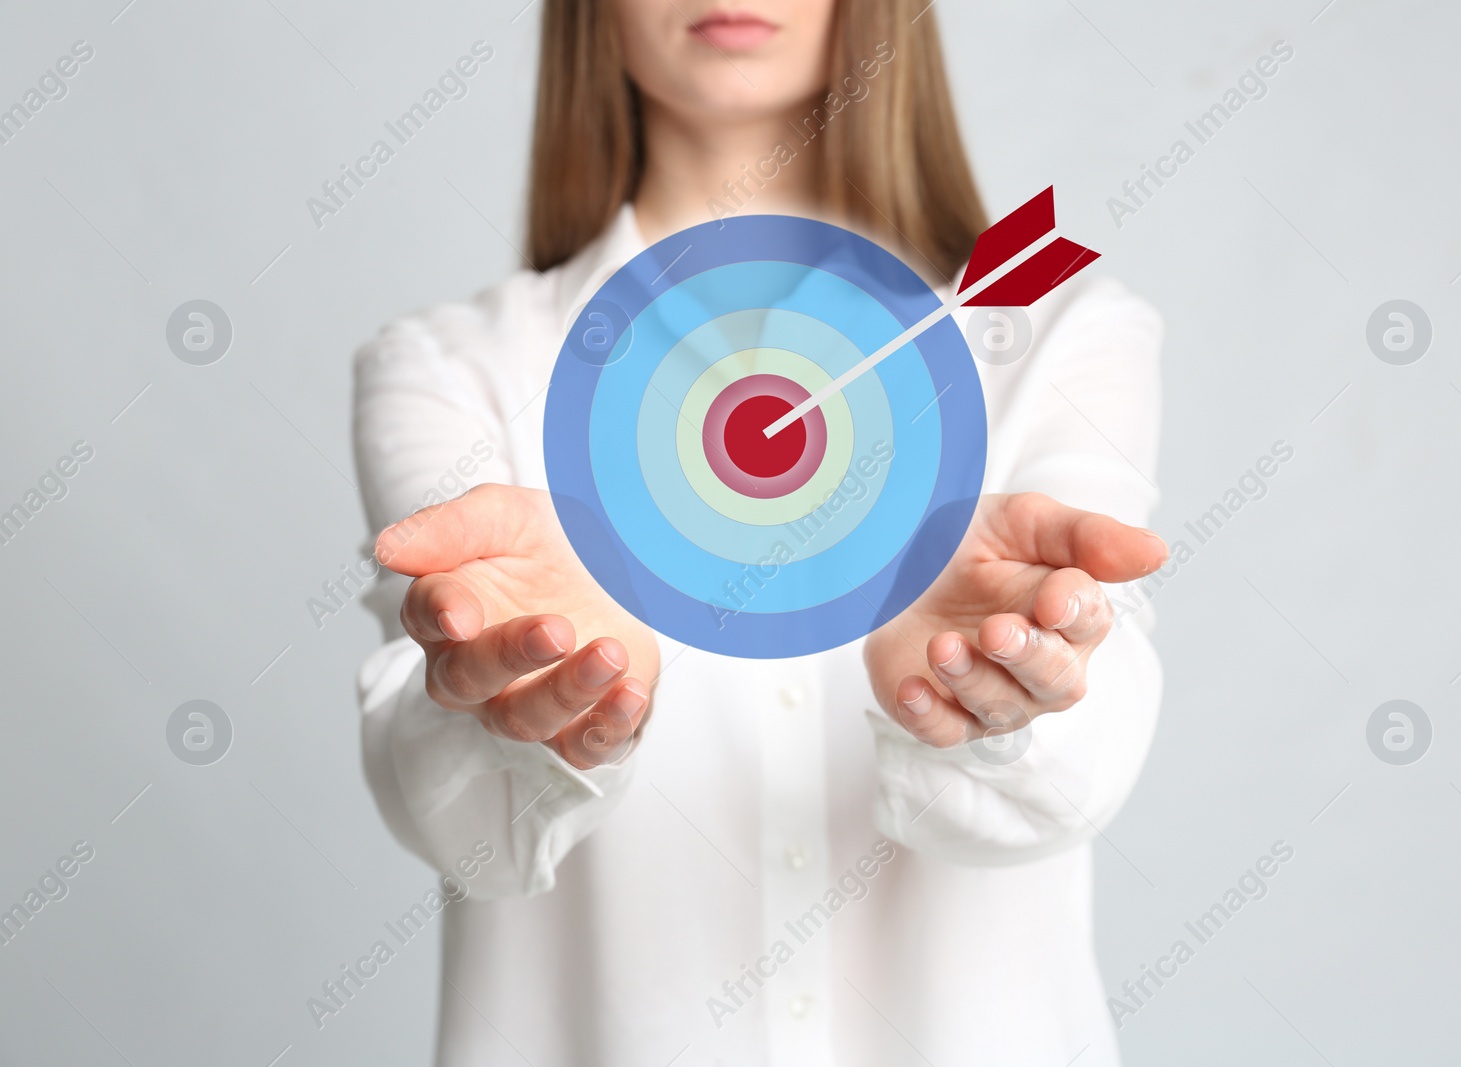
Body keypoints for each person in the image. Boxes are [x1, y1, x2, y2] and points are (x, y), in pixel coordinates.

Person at [353, 1, 1166, 1063]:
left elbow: (1074, 779)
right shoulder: (449, 367)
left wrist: (989, 687)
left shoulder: (1055, 330)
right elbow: (459, 823)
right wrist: (540, 693)